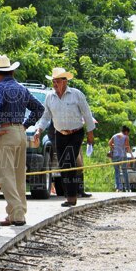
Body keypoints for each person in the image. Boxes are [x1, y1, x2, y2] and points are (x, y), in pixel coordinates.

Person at [0, 55, 44, 227]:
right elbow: (38, 108)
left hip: (6, 131)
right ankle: (17, 214)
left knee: (5, 175)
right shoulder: (21, 88)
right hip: (20, 131)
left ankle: (16, 211)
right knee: (19, 175)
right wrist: (26, 125)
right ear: (12, 71)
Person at [34, 67, 96, 207]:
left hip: (76, 133)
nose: (55, 84)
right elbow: (45, 117)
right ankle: (70, 196)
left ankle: (72, 197)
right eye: (53, 81)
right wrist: (39, 130)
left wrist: (90, 133)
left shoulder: (76, 94)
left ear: (65, 81)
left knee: (69, 161)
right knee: (63, 165)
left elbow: (87, 114)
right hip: (59, 134)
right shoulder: (50, 97)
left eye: (57, 81)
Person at [109, 125, 132, 192]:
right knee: (124, 171)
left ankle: (119, 188)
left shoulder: (114, 136)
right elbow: (127, 147)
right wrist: (131, 155)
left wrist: (114, 147)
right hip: (123, 156)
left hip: (115, 156)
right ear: (126, 132)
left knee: (117, 172)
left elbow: (109, 143)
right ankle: (127, 188)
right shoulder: (126, 137)